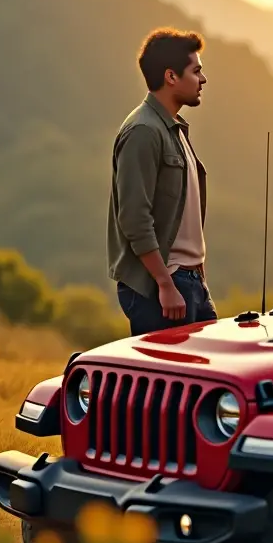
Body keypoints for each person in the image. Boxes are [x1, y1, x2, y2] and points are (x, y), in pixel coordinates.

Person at [107, 28, 217, 336]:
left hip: (188, 282)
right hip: (163, 286)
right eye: (196, 71)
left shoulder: (173, 130)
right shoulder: (143, 131)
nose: (203, 79)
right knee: (165, 383)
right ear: (171, 76)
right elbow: (133, 217)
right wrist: (165, 283)